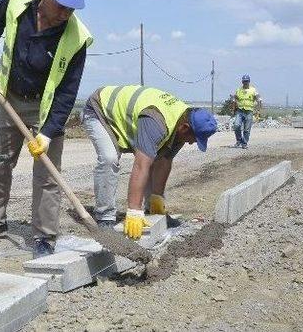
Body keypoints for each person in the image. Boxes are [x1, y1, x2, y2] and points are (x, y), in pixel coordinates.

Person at [0, 0, 94, 258]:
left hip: (46, 110)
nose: (66, 14)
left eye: (72, 8)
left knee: (47, 174)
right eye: (61, 5)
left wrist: (47, 133)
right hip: (9, 97)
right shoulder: (18, 0)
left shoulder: (77, 38)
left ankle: (45, 236)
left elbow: (67, 92)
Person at [81, 85, 218, 239]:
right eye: (193, 139)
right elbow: (141, 165)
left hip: (127, 118)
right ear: (185, 128)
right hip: (100, 111)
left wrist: (157, 198)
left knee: (156, 157)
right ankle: (105, 218)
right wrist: (133, 210)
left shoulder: (182, 122)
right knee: (109, 158)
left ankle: (150, 210)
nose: (192, 143)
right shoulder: (157, 122)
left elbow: (164, 160)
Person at [232, 74, 262, 149]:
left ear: (249, 81)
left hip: (249, 112)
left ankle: (244, 143)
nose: (245, 83)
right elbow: (234, 100)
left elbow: (259, 100)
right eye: (244, 81)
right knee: (236, 125)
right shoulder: (238, 90)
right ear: (242, 82)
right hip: (240, 111)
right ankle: (239, 141)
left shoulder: (253, 90)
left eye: (247, 81)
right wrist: (233, 109)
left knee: (247, 129)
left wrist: (258, 110)